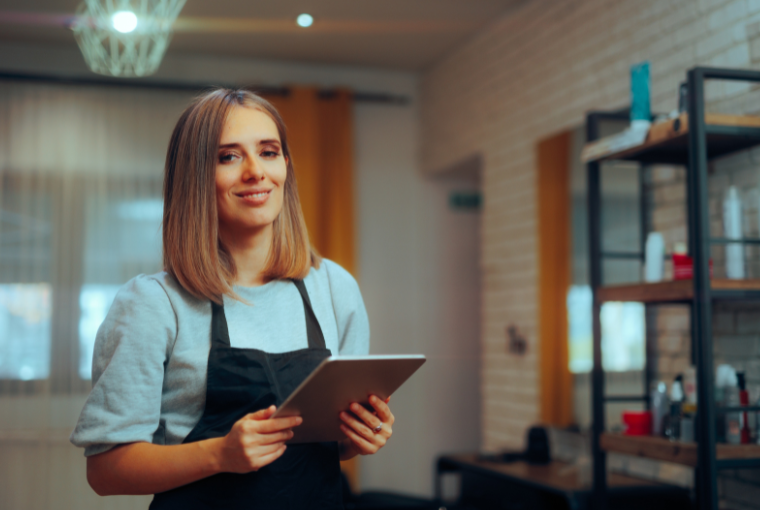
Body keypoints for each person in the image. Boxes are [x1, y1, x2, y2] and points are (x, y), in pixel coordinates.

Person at [70, 89, 394, 509]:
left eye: (269, 151)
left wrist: (358, 436)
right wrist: (220, 455)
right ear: (196, 176)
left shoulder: (334, 288)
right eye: (229, 156)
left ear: (285, 166)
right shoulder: (153, 304)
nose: (256, 171)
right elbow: (105, 471)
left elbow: (330, 446)